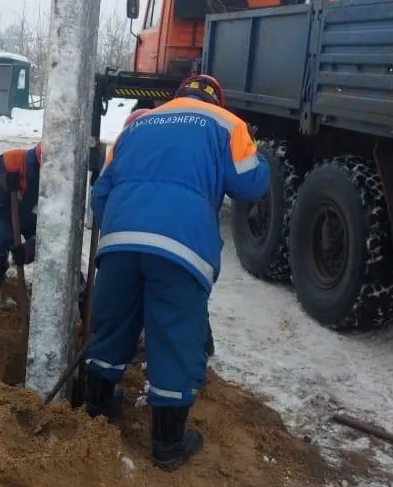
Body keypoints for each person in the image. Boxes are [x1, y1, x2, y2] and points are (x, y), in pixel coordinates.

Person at [85, 74, 271, 472]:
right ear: (216, 99)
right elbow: (251, 184)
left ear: (176, 97)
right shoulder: (227, 123)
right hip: (180, 247)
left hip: (120, 237)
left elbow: (100, 195)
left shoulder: (138, 124)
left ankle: (97, 405)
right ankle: (168, 444)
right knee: (173, 336)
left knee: (112, 324)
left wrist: (126, 230)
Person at [0, 143, 87, 314]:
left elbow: (58, 227)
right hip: (6, 213)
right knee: (3, 235)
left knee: (56, 251)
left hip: (40, 221)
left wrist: (32, 248)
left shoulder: (62, 178)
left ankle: (79, 291)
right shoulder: (11, 161)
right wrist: (2, 188)